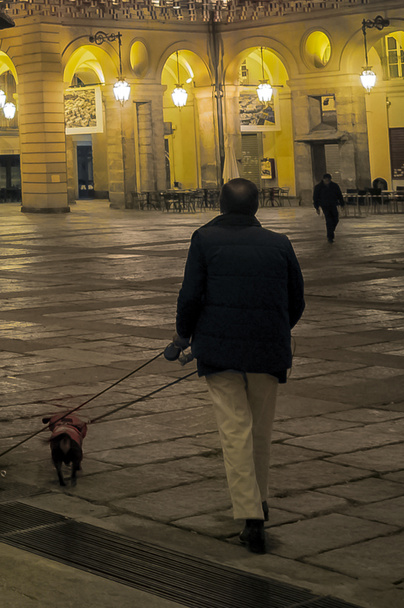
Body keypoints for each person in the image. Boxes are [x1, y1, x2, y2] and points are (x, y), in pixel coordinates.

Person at [172, 178, 304, 555]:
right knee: (261, 431)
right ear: (257, 206)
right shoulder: (280, 244)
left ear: (221, 205)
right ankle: (259, 503)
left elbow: (190, 295)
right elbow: (296, 301)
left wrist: (184, 336)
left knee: (235, 431)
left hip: (219, 351)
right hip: (268, 351)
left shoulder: (204, 239)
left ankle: (250, 516)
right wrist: (273, 329)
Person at [311, 173, 344, 243]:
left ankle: (331, 231)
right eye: (326, 180)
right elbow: (315, 197)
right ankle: (330, 236)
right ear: (323, 179)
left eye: (329, 180)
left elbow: (339, 195)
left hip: (333, 204)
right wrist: (317, 207)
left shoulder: (334, 186)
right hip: (324, 205)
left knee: (336, 219)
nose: (327, 181)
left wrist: (342, 204)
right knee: (329, 220)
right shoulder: (318, 187)